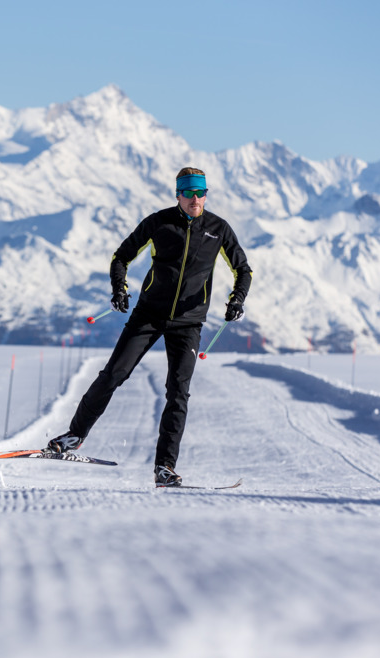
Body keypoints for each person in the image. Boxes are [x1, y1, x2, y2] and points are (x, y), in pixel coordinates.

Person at [44, 168, 252, 487]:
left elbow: (243, 269)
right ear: (178, 195)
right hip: (149, 314)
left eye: (200, 193)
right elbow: (121, 257)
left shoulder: (218, 229)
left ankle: (164, 468)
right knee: (114, 374)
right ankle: (74, 435)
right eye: (188, 193)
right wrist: (119, 288)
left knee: (178, 393)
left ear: (206, 194)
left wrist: (237, 299)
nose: (195, 199)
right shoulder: (159, 222)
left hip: (189, 322)